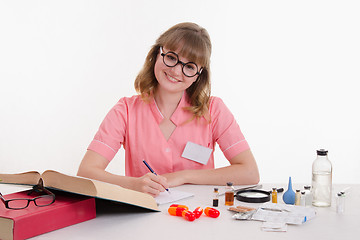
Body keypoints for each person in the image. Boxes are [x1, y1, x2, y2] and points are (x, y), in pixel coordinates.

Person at [77, 22, 259, 197]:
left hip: (198, 218)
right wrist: (133, 184)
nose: (176, 71)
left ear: (198, 75)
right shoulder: (125, 110)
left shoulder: (214, 110)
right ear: (157, 53)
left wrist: (183, 176)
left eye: (189, 66)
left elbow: (249, 172)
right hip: (141, 218)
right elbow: (86, 172)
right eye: (171, 57)